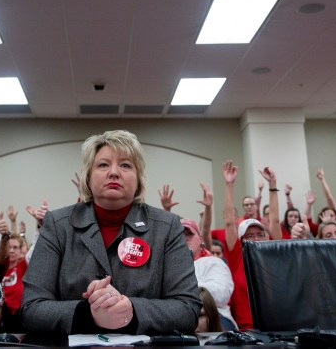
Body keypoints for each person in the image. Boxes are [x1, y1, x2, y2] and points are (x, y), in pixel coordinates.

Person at [20, 130, 201, 335]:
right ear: (88, 177)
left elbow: (188, 309)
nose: (114, 172)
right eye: (103, 165)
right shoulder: (57, 225)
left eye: (125, 165)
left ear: (139, 180)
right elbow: (31, 308)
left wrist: (130, 310)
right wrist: (89, 313)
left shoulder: (168, 227)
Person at [223, 160, 281, 330]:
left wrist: (272, 184)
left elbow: (275, 220)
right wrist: (229, 185)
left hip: (277, 327)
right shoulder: (237, 256)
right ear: (241, 241)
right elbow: (228, 223)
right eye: (249, 236)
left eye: (260, 234)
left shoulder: (273, 253)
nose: (256, 239)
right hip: (246, 330)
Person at [181, 218, 237, 331]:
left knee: (203, 324)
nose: (184, 238)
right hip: (175, 316)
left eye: (189, 234)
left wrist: (182, 287)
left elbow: (221, 294)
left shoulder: (213, 262)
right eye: (179, 234)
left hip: (214, 315)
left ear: (200, 239)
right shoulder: (165, 265)